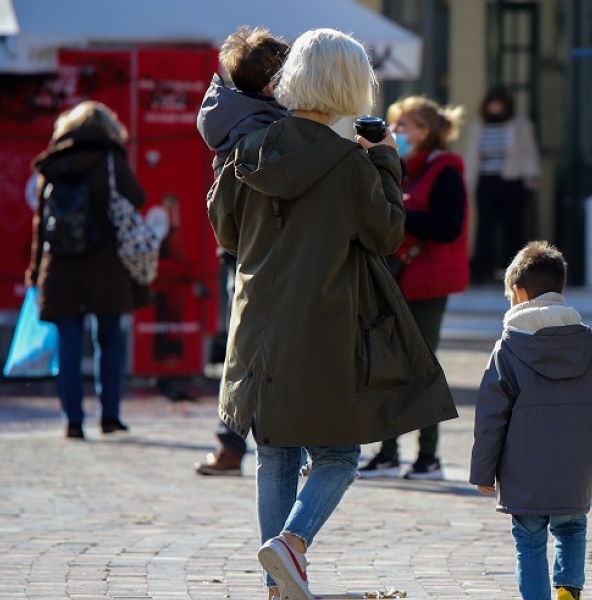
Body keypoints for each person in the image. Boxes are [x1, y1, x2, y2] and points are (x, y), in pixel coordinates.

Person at [207, 28, 456, 600]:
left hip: (256, 324)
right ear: (351, 85)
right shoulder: (349, 163)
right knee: (340, 454)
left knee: (275, 451)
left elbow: (224, 230)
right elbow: (387, 234)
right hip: (323, 325)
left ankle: (277, 587)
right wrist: (387, 161)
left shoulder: (246, 149)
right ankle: (291, 545)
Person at [470, 241, 592, 600]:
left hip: (525, 471)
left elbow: (491, 416)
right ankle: (568, 590)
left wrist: (482, 473)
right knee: (571, 530)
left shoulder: (507, 347)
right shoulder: (583, 340)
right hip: (575, 470)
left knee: (530, 542)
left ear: (519, 293)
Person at [357, 95, 469, 481]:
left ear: (426, 132)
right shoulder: (401, 165)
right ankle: (388, 453)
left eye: (404, 126)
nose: (396, 133)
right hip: (396, 278)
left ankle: (429, 457)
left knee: (422, 367)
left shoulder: (445, 169)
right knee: (388, 366)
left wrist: (400, 213)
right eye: (395, 125)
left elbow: (448, 225)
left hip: (427, 282)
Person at [194, 26, 290, 476]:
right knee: (255, 349)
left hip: (240, 249)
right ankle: (243, 442)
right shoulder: (267, 126)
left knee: (245, 347)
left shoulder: (231, 113)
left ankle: (233, 443)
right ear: (273, 83)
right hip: (267, 251)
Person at [26, 100, 149, 439]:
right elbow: (136, 197)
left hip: (60, 268)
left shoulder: (51, 163)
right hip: (104, 266)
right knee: (108, 341)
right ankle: (109, 416)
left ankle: (73, 421)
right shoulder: (110, 159)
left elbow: (40, 224)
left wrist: (35, 272)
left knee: (67, 344)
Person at [465, 86, 541, 284]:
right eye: (492, 103)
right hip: (486, 181)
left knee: (513, 228)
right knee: (485, 227)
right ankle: (481, 271)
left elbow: (528, 151)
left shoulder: (520, 125)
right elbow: (472, 156)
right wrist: (468, 182)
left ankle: (519, 271)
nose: (495, 107)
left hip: (512, 182)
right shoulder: (478, 126)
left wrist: (530, 175)